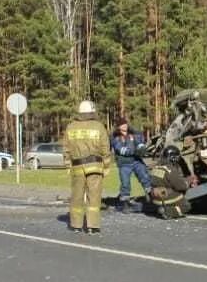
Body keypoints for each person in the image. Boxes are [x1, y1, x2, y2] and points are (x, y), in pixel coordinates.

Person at [63, 100, 112, 234]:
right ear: (92, 111)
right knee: (94, 196)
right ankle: (92, 226)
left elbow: (66, 149)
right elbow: (105, 148)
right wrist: (107, 165)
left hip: (77, 167)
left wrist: (68, 165)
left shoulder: (71, 127)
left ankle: (76, 225)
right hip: (95, 166)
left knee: (77, 196)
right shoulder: (98, 126)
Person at [110, 120, 152, 212]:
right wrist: (134, 151)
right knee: (125, 184)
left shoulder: (133, 134)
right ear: (118, 127)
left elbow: (139, 142)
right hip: (124, 163)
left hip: (136, 161)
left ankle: (152, 198)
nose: (124, 125)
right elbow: (119, 149)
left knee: (145, 177)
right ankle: (124, 204)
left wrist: (142, 148)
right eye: (121, 124)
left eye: (125, 123)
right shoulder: (115, 137)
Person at [148, 145, 193, 219]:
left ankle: (164, 207)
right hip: (165, 196)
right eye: (177, 157)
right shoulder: (170, 169)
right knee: (186, 206)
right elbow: (181, 186)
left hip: (155, 197)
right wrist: (188, 181)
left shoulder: (156, 168)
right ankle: (168, 211)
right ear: (173, 158)